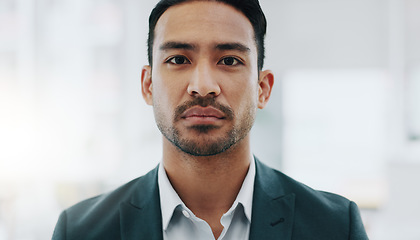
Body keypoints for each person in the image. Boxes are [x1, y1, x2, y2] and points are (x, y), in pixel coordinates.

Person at [52, 0, 369, 239]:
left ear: (262, 87)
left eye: (229, 60)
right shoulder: (81, 231)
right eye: (178, 59)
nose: (202, 86)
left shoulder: (335, 227)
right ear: (148, 85)